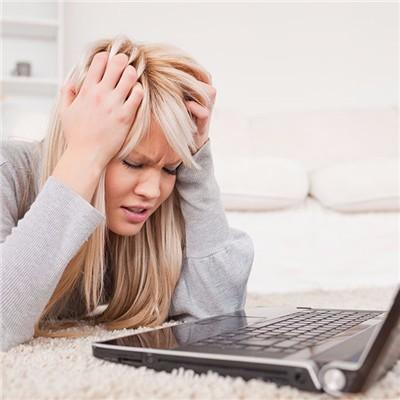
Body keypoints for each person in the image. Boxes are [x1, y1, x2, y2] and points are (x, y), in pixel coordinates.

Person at [0, 35, 254, 352]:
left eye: (171, 168)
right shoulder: (8, 171)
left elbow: (219, 317)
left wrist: (197, 165)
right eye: (133, 163)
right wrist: (82, 154)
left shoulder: (158, 216)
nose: (152, 191)